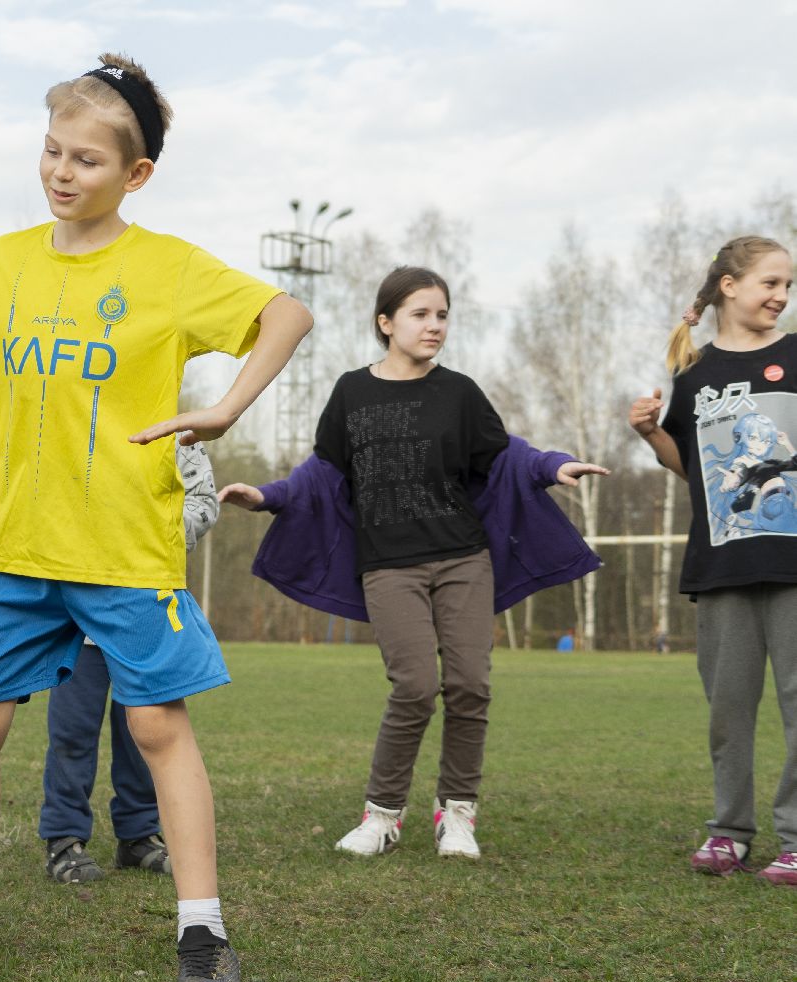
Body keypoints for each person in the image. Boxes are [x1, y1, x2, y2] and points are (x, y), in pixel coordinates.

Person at [0, 54, 314, 982]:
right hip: (15, 547)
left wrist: (224, 409)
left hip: (124, 551)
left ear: (136, 174)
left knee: (157, 725)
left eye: (86, 160)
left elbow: (289, 313)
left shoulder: (168, 268)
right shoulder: (7, 261)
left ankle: (203, 932)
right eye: (51, 152)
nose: (62, 172)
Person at [220, 266, 605, 861]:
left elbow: (505, 457)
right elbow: (324, 472)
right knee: (416, 686)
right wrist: (268, 495)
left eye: (443, 315)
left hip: (464, 559)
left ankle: (457, 815)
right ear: (386, 322)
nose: (434, 326)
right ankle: (382, 816)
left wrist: (554, 464)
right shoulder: (352, 391)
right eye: (421, 314)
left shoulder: (459, 392)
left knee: (470, 685)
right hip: (389, 566)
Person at [628, 235, 797, 888]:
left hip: (792, 567)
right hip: (722, 568)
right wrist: (650, 433)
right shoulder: (694, 371)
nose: (781, 297)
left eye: (787, 287)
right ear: (729, 286)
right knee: (729, 710)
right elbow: (691, 472)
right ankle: (729, 834)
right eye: (770, 284)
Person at [40, 442, 216, 883]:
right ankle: (64, 839)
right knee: (72, 733)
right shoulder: (76, 426)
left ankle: (138, 837)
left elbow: (203, 503)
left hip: (146, 615)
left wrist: (146, 526)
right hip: (77, 620)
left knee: (147, 731)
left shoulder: (181, 440)